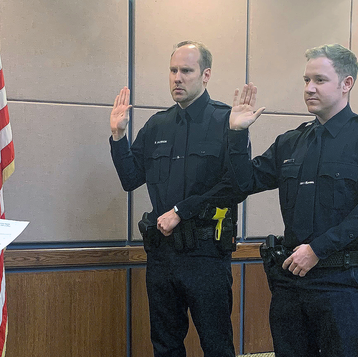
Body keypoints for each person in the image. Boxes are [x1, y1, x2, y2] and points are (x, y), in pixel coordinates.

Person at [227, 44, 358, 356]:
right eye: (306, 80)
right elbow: (243, 183)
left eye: (319, 80)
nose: (309, 89)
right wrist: (237, 136)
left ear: (346, 84)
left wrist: (318, 250)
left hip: (342, 284)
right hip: (292, 283)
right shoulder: (291, 142)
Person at [109, 41, 246, 357]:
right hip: (163, 256)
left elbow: (235, 186)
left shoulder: (227, 121)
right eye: (173, 70)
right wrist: (118, 137)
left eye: (186, 71)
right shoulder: (158, 123)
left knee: (216, 344)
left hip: (206, 255)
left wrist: (181, 211)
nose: (177, 78)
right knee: (165, 345)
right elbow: (131, 179)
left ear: (205, 75)